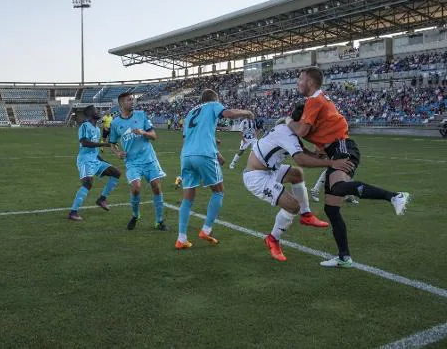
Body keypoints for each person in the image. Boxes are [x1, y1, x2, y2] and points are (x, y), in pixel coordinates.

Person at [288, 67, 410, 268]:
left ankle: (395, 196)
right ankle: (344, 258)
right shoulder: (317, 101)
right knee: (331, 208)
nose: (297, 83)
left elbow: (301, 129)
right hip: (336, 149)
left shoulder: (314, 100)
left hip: (343, 147)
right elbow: (317, 146)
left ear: (310, 82)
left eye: (300, 79)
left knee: (337, 189)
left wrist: (287, 122)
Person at [243, 104, 353, 262]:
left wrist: (320, 155)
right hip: (257, 177)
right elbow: (300, 159)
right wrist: (330, 164)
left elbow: (304, 152)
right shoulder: (286, 133)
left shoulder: (290, 131)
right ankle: (272, 239)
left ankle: (306, 215)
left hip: (270, 170)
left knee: (296, 174)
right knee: (293, 206)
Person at [175, 89, 254, 250]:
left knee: (188, 198)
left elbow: (189, 138)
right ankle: (206, 229)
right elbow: (229, 113)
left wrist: (217, 154)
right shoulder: (213, 105)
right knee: (218, 192)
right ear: (214, 99)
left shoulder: (191, 112)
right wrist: (247, 112)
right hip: (204, 155)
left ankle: (181, 238)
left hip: (186, 156)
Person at [109, 92, 168, 231]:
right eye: (129, 100)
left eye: (133, 99)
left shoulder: (141, 115)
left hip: (149, 159)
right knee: (135, 188)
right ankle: (135, 215)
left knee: (156, 187)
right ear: (121, 103)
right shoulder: (115, 123)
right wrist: (117, 152)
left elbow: (154, 135)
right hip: (132, 162)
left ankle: (159, 221)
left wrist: (143, 133)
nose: (132, 102)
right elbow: (112, 143)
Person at [69, 105, 121, 221]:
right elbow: (84, 142)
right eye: (96, 110)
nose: (99, 112)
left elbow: (95, 151)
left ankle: (102, 199)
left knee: (116, 172)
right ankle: (73, 212)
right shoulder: (85, 126)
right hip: (85, 160)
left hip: (95, 160)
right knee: (88, 183)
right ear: (90, 113)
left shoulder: (97, 129)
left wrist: (104, 161)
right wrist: (105, 144)